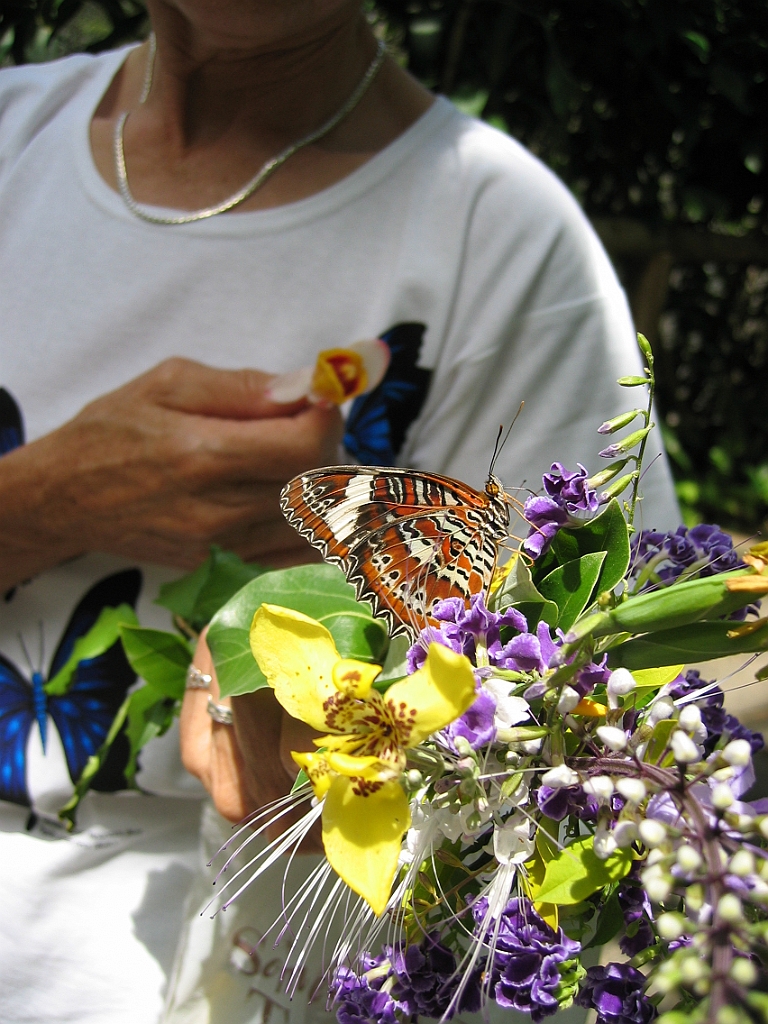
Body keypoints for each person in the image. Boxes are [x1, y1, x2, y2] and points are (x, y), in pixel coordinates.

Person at [0, 1, 680, 1021]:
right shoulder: (13, 135)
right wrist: (44, 499)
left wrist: (343, 689)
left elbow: (585, 723)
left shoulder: (500, 238)